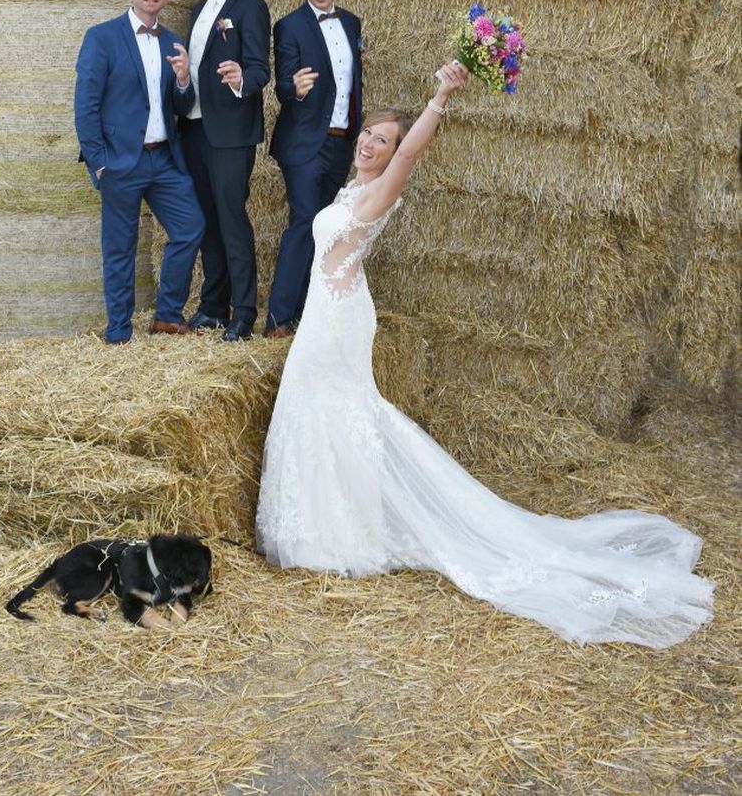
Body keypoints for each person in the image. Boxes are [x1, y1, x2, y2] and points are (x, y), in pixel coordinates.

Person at [256, 62, 714, 649]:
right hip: (330, 312)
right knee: (327, 413)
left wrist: (440, 96)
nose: (373, 145)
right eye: (369, 134)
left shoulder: (381, 188)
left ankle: (340, 538)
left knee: (339, 413)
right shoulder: (349, 188)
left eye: (384, 141)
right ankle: (330, 529)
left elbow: (411, 155)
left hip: (337, 322)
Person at [74, 0, 204, 344]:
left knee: (190, 227)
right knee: (119, 249)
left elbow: (181, 107)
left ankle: (167, 315)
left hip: (163, 159)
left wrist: (183, 81)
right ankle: (118, 331)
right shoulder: (102, 37)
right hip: (119, 162)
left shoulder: (172, 41)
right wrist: (98, 164)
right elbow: (86, 105)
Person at [263, 0, 363, 337]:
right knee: (305, 221)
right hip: (304, 143)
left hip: (340, 142)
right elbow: (283, 81)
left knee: (329, 227)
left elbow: (353, 83)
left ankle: (312, 316)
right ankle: (278, 320)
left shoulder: (352, 23)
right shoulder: (289, 26)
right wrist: (295, 88)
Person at [181, 0, 271, 342]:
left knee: (232, 219)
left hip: (231, 132)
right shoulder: (198, 10)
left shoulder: (251, 7)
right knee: (207, 222)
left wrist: (240, 80)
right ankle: (214, 306)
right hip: (194, 128)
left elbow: (259, 69)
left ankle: (244, 313)